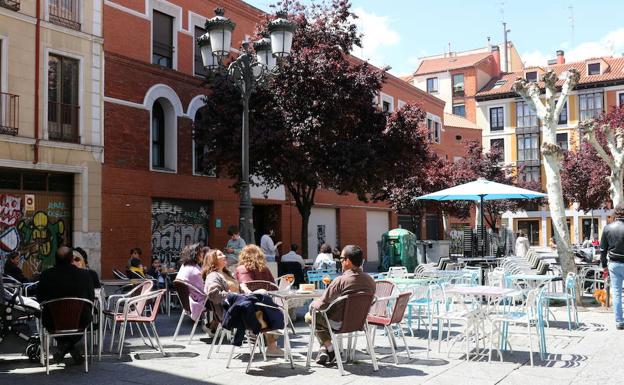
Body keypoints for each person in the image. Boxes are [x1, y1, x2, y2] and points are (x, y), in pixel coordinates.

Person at [305, 245, 375, 366]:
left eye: (341, 258)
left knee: (310, 316)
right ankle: (324, 349)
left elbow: (320, 304)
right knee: (320, 317)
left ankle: (330, 349)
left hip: (338, 323)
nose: (340, 261)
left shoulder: (341, 280)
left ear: (347, 261)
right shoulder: (370, 280)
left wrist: (311, 305)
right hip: (359, 322)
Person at [37, 246, 94, 364]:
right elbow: (91, 298)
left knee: (49, 319)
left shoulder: (46, 275)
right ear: (71, 259)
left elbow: (40, 298)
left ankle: (63, 346)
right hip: (80, 321)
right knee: (87, 316)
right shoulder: (85, 275)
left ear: (55, 259)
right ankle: (68, 346)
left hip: (53, 321)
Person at [202, 249, 240, 331]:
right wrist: (232, 295)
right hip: (231, 309)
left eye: (223, 254)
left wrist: (243, 287)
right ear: (212, 260)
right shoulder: (213, 276)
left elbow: (237, 287)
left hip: (239, 303)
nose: (224, 256)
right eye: (220, 255)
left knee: (262, 294)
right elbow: (214, 295)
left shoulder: (226, 272)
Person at [600, 203, 624, 330]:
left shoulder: (608, 228)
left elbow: (603, 250)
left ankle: (619, 321)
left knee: (617, 293)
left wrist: (604, 266)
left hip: (614, 264)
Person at [176, 243, 207, 321]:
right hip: (198, 301)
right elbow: (204, 291)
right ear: (195, 255)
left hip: (187, 301)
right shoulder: (195, 271)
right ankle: (214, 325)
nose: (203, 255)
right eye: (201, 253)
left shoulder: (184, 266)